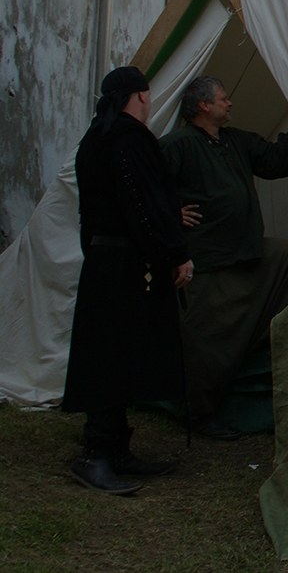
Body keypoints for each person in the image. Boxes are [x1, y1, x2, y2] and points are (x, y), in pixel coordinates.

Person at [62, 66, 194, 495]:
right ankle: (95, 454)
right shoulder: (129, 139)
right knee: (111, 354)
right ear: (139, 96)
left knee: (118, 352)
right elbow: (148, 204)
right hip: (125, 264)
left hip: (106, 258)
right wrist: (174, 254)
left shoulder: (95, 138)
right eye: (148, 95)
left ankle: (115, 448)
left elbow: (92, 210)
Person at [161, 76, 288, 440]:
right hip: (209, 260)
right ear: (204, 105)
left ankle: (268, 339)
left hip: (246, 252)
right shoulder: (177, 145)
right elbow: (147, 189)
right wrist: (170, 212)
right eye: (224, 98)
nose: (230, 103)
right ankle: (197, 413)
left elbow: (275, 163)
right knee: (206, 341)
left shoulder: (235, 141)